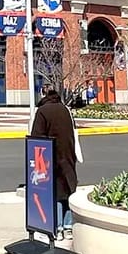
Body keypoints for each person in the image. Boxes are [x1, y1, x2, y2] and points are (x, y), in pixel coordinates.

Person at [30, 88, 79, 240]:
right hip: (68, 154)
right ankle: (68, 226)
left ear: (44, 95)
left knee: (55, 192)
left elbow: (37, 137)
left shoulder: (43, 111)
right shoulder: (65, 109)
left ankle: (56, 227)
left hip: (51, 155)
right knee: (68, 188)